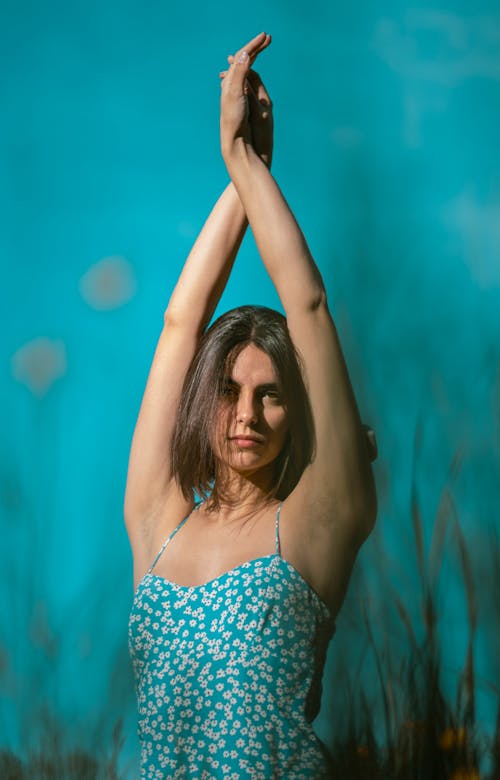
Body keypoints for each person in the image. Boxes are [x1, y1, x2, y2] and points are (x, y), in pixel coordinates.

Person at [126, 32, 377, 780]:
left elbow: (308, 304)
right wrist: (244, 172)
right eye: (230, 391)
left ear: (296, 413)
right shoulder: (157, 526)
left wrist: (248, 165)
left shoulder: (313, 523)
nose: (246, 414)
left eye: (271, 396)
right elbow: (181, 325)